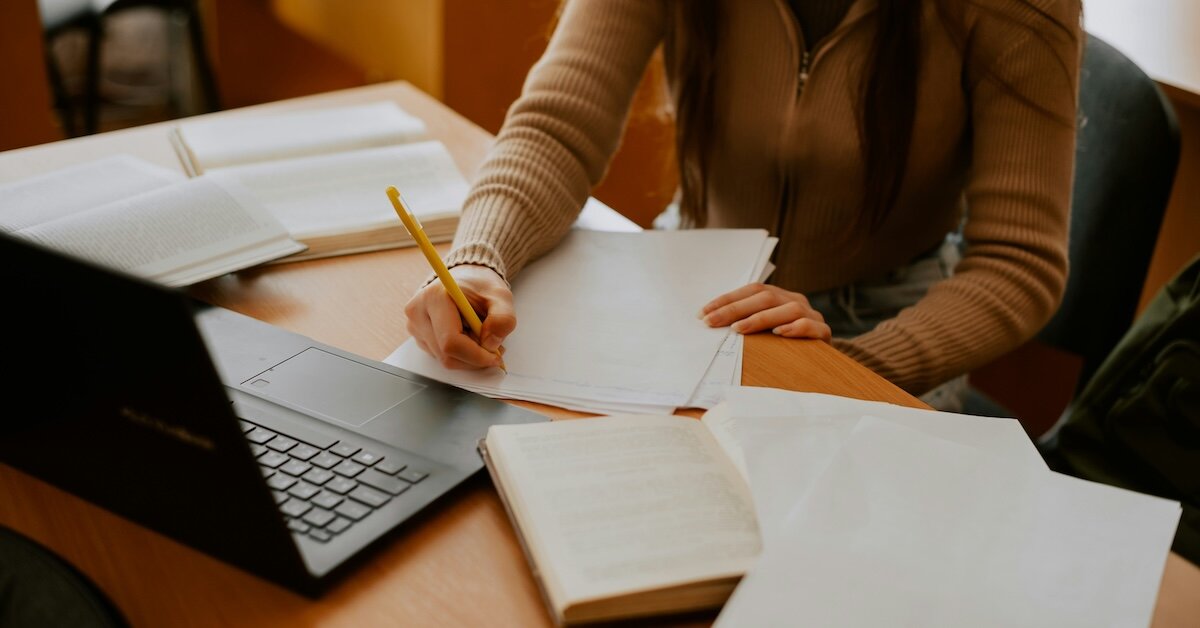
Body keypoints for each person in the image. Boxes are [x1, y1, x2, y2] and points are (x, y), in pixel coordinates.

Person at [404, 0, 1082, 411]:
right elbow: (557, 129)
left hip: (883, 320)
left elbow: (1018, 262)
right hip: (697, 279)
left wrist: (849, 366)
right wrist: (476, 260)